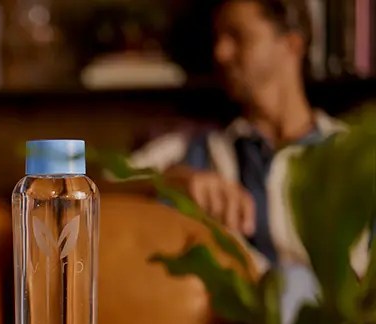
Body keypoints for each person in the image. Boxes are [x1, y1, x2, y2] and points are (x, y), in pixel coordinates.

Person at [129, 0, 368, 275]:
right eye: (218, 39)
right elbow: (87, 181)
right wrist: (169, 181)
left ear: (291, 45)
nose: (220, 53)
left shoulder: (353, 153)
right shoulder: (191, 148)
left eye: (238, 36)